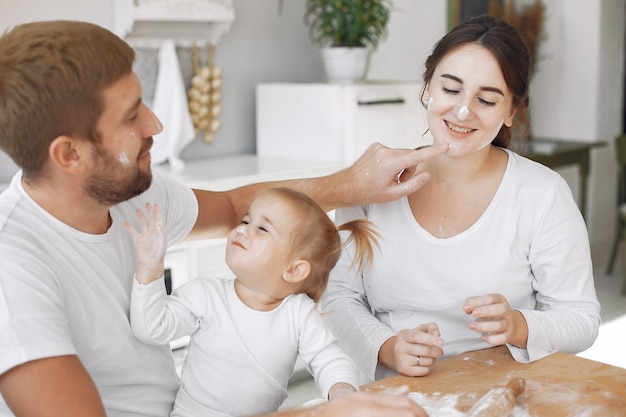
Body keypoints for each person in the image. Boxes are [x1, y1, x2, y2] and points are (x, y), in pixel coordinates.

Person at [0, 19, 443, 417]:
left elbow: (233, 209)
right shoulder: (12, 265)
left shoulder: (128, 190)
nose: (155, 125)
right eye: (132, 115)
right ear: (70, 154)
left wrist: (353, 183)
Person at [321, 14, 601, 383]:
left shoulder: (542, 194)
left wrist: (519, 325)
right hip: (394, 396)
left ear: (511, 111)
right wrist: (387, 347)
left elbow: (581, 318)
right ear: (427, 88)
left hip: (503, 394)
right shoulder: (373, 183)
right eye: (451, 89)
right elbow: (338, 298)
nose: (463, 110)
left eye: (486, 99)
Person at [126, 188, 379, 416]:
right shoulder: (205, 295)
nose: (242, 228)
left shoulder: (298, 314)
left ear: (293, 270)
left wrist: (342, 392)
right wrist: (150, 267)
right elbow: (151, 328)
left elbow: (330, 360)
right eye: (246, 220)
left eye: (262, 228)